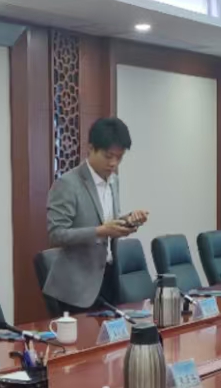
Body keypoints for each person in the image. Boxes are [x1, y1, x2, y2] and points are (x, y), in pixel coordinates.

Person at [43, 117, 149, 311]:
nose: (114, 163)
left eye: (119, 157)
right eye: (108, 156)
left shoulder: (114, 181)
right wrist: (101, 231)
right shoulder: (68, 184)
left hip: (108, 276)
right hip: (76, 288)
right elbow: (56, 235)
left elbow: (108, 222)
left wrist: (129, 220)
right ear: (90, 148)